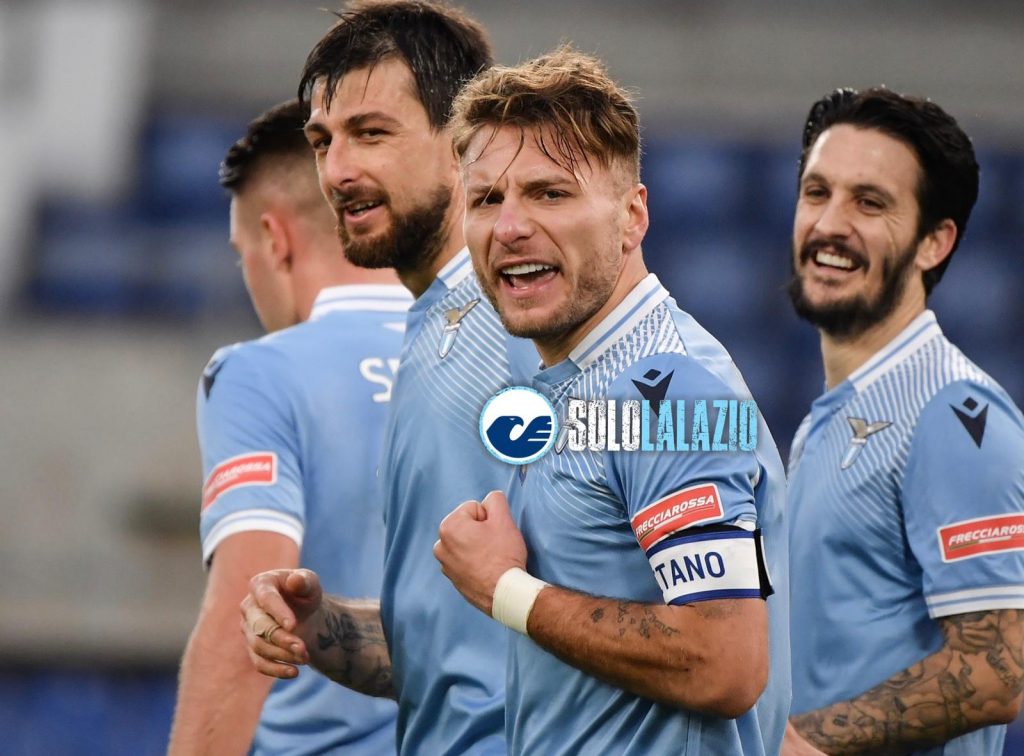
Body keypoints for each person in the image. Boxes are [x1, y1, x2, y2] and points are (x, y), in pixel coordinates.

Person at [432, 47, 791, 755]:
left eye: (550, 193)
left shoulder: (664, 389)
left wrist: (505, 588)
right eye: (487, 199)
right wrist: (327, 630)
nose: (509, 227)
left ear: (632, 217)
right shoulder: (575, 382)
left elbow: (724, 662)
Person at [238, 3, 536, 753]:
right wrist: (321, 625)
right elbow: (452, 647)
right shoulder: (432, 331)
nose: (338, 172)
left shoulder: (526, 329)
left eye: (371, 133)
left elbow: (650, 607)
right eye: (322, 142)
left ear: (464, 142)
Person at [782, 87, 1024, 755]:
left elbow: (996, 671)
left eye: (870, 203)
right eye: (817, 192)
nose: (830, 224)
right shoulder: (827, 421)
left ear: (933, 242)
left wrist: (796, 744)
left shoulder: (954, 415)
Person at [168, 98, 409, 755]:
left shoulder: (260, 373)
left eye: (242, 252)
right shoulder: (505, 354)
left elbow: (246, 620)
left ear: (274, 241)